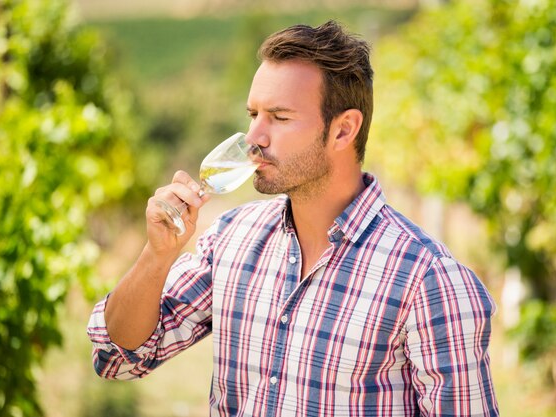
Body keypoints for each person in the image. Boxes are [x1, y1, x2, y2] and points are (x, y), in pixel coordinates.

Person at [88, 20, 499, 416]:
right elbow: (119, 357)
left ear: (343, 130)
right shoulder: (233, 238)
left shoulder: (429, 280)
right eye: (253, 115)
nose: (254, 138)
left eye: (279, 118)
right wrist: (156, 255)